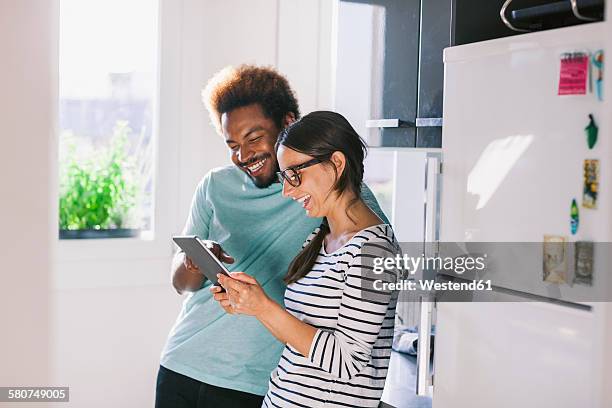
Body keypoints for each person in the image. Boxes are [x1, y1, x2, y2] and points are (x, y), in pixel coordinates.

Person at [155, 65, 389, 408]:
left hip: (254, 382)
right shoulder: (215, 186)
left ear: (288, 123)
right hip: (183, 362)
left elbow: (378, 263)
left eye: (253, 138)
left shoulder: (328, 190)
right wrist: (195, 259)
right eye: (232, 145)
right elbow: (181, 284)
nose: (243, 155)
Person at [214, 111, 399, 408]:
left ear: (336, 164)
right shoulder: (319, 238)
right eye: (284, 177)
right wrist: (254, 306)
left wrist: (265, 306)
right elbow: (301, 341)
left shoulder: (374, 252)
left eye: (294, 175)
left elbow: (347, 361)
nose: (287, 190)